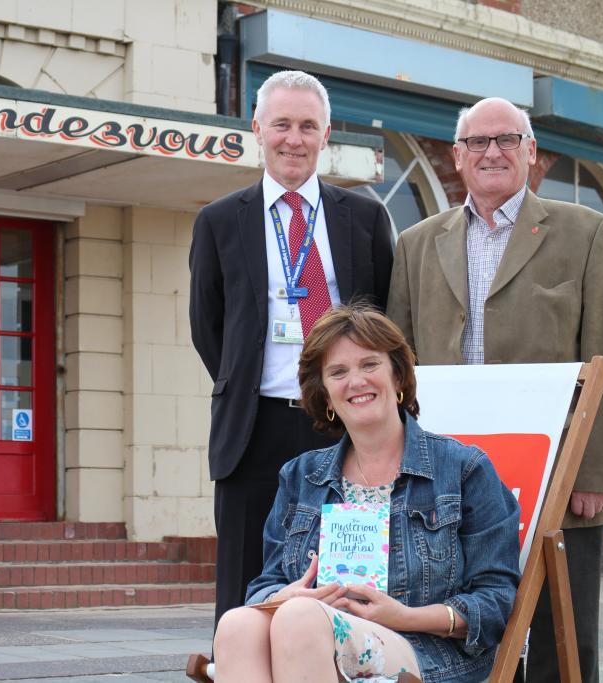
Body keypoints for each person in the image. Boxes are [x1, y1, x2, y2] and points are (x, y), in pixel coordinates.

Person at [387, 97, 603, 683]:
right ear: (457, 157)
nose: (491, 151)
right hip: (449, 475)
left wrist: (595, 475)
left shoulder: (586, 233)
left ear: (531, 153)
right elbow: (399, 366)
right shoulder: (416, 244)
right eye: (477, 142)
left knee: (560, 639)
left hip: (555, 473)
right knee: (463, 630)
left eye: (507, 140)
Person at [213, 306, 521, 683]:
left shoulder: (463, 469)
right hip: (312, 633)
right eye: (338, 372)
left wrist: (402, 616)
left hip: (429, 650)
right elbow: (265, 586)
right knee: (236, 625)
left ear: (398, 377)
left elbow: (495, 602)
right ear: (325, 397)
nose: (355, 381)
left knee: (298, 621)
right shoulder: (300, 476)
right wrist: (288, 595)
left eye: (369, 364)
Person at [189, 69, 394, 631]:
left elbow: (383, 322)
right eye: (281, 124)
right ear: (257, 128)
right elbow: (208, 328)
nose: (294, 139)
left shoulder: (366, 218)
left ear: (327, 134)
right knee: (243, 591)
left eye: (308, 126)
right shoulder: (218, 221)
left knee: (345, 582)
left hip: (343, 428)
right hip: (252, 430)